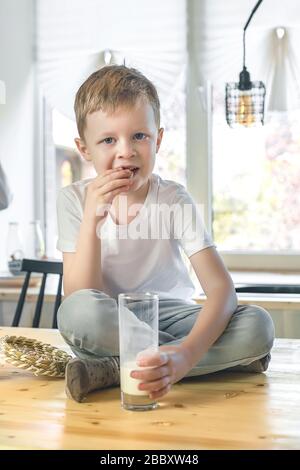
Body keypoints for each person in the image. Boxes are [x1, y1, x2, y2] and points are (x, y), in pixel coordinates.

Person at [56, 65, 274, 403]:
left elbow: (221, 290)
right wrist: (92, 221)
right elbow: (81, 294)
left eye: (139, 136)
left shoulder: (173, 199)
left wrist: (186, 353)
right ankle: (200, 361)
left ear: (158, 139)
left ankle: (120, 367)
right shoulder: (73, 200)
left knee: (258, 325)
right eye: (108, 140)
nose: (126, 151)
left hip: (173, 313)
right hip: (110, 316)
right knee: (76, 313)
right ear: (84, 148)